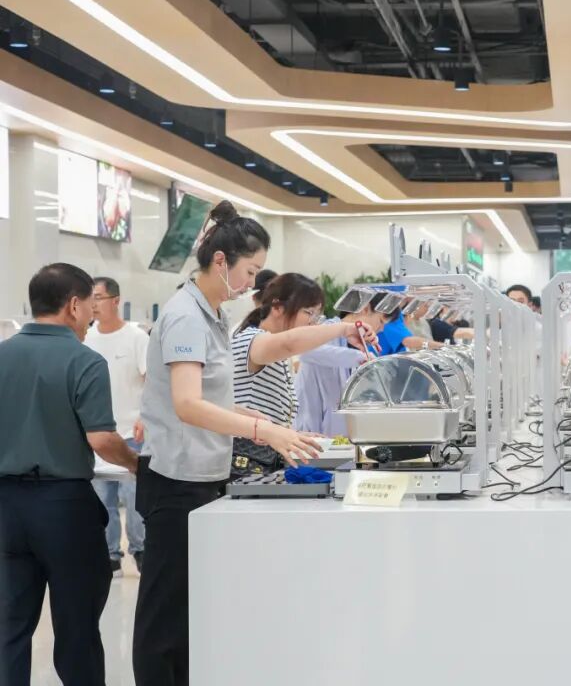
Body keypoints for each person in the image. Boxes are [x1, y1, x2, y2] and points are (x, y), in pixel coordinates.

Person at [133, 202, 328, 686]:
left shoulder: (213, 315)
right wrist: (262, 431)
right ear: (220, 261)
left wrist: (252, 417)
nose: (252, 283)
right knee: (163, 618)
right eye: (250, 271)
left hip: (202, 476)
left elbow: (210, 396)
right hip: (175, 481)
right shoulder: (185, 316)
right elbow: (187, 404)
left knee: (189, 614)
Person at [0, 263, 138, 686]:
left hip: (7, 508)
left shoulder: (3, 354)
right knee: (77, 627)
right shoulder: (84, 360)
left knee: (10, 628)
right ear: (74, 306)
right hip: (63, 508)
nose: (91, 319)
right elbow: (102, 439)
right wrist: (136, 464)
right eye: (90, 309)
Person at [230, 273, 379, 476]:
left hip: (265, 458)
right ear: (277, 307)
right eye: (309, 313)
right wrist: (345, 329)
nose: (313, 323)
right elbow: (290, 343)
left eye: (317, 315)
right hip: (245, 460)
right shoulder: (252, 340)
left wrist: (295, 434)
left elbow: (270, 415)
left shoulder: (275, 351)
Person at [86, 276, 150, 576]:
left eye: (98, 297)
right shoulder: (86, 338)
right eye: (91, 298)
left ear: (115, 300)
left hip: (132, 433)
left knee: (135, 500)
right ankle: (110, 556)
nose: (94, 304)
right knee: (103, 500)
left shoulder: (136, 337)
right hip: (98, 433)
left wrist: (145, 416)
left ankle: (141, 550)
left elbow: (152, 381)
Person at [294, 292, 401, 437]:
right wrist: (360, 358)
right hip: (310, 426)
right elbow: (306, 351)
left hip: (333, 433)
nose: (382, 329)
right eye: (381, 321)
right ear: (365, 309)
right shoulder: (326, 329)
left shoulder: (356, 343)